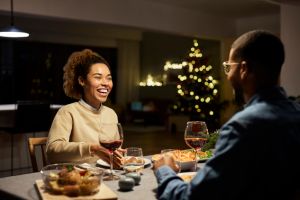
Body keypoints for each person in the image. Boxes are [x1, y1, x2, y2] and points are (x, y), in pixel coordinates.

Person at [153, 30, 300, 200]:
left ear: (244, 69)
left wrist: (165, 171)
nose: (228, 74)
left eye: (228, 67)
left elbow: (190, 197)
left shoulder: (242, 126)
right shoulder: (295, 112)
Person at [46, 49, 123, 168]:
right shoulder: (68, 112)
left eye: (109, 78)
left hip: (106, 175)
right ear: (82, 81)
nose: (105, 83)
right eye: (98, 77)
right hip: (78, 178)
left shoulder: (111, 114)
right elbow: (52, 152)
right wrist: (92, 148)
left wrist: (120, 155)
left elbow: (114, 152)